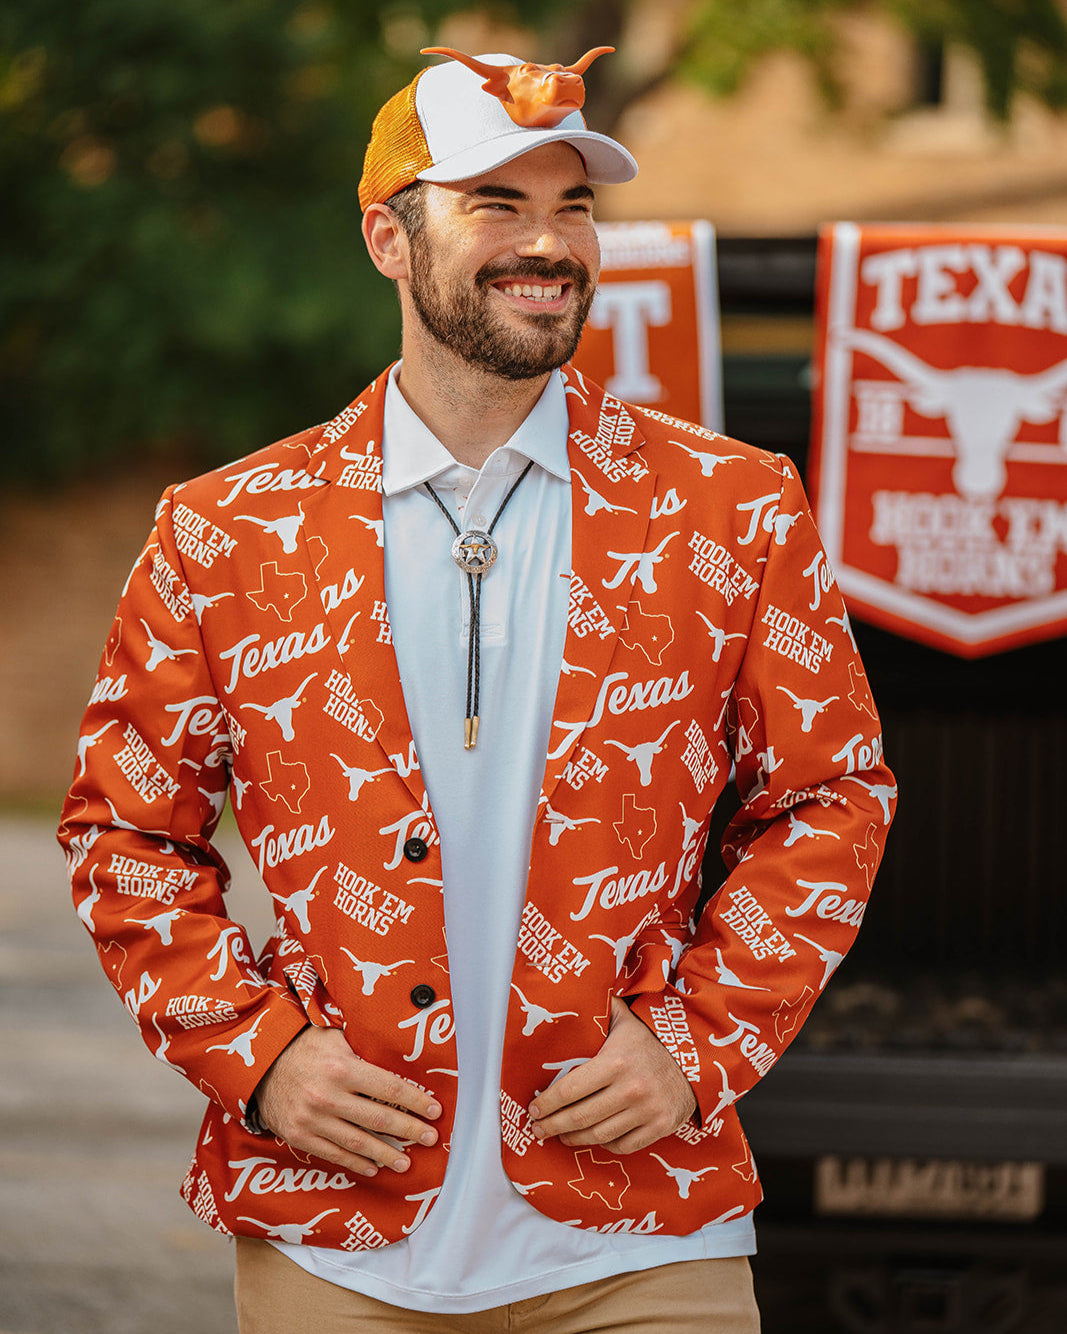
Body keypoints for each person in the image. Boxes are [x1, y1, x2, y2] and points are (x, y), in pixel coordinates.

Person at [59, 45, 895, 1334]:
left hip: (644, 1232)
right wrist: (257, 1055)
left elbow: (832, 797)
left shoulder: (733, 508)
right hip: (339, 1235)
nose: (548, 244)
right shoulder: (225, 530)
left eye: (573, 208)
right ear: (389, 239)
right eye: (496, 206)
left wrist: (698, 1044)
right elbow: (124, 832)